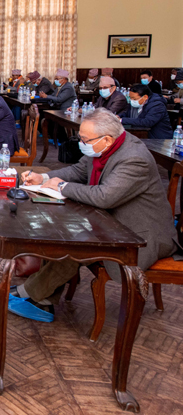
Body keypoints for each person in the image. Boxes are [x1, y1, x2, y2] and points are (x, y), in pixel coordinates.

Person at [12, 108, 179, 322]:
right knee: (63, 236)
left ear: (107, 140)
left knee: (77, 247)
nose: (80, 143)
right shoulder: (103, 148)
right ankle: (42, 301)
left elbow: (104, 197)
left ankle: (29, 293)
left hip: (141, 236)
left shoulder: (134, 159)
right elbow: (79, 171)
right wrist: (43, 177)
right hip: (112, 222)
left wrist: (62, 187)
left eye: (84, 139)